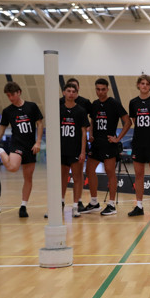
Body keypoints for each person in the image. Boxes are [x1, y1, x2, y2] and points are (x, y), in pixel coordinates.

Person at [0, 82, 44, 218]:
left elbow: (39, 123)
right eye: (8, 96)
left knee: (28, 178)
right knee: (12, 167)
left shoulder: (31, 106)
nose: (10, 98)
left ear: (19, 92)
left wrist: (38, 142)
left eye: (12, 95)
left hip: (31, 146)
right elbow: (0, 132)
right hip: (17, 144)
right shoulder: (7, 111)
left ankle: (23, 206)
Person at [83, 78, 132, 216]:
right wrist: (90, 134)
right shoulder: (94, 104)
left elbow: (128, 122)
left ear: (107, 89)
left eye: (103, 89)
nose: (100, 92)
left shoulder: (114, 103)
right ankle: (94, 202)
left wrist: (118, 138)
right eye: (98, 89)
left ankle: (111, 204)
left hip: (109, 144)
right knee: (89, 169)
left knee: (110, 171)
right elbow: (92, 121)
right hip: (96, 143)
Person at [127, 74, 150, 218]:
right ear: (138, 85)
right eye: (142, 83)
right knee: (139, 175)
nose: (144, 86)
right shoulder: (133, 102)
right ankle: (139, 206)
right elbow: (135, 122)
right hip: (138, 144)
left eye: (147, 84)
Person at [59, 77, 91, 212]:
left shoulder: (81, 111)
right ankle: (60, 202)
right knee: (62, 177)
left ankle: (75, 205)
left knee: (77, 177)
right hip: (62, 149)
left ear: (77, 94)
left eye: (73, 91)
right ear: (64, 93)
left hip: (76, 149)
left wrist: (83, 151)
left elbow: (84, 133)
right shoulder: (58, 110)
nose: (71, 93)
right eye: (68, 91)